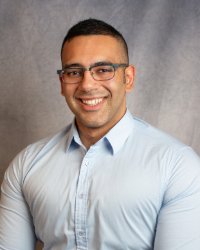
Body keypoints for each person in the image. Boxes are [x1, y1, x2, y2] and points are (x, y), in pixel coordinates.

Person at [0, 18, 200, 250]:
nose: (87, 84)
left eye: (103, 70)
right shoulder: (26, 166)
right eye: (74, 72)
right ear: (62, 82)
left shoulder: (178, 165)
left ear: (128, 78)